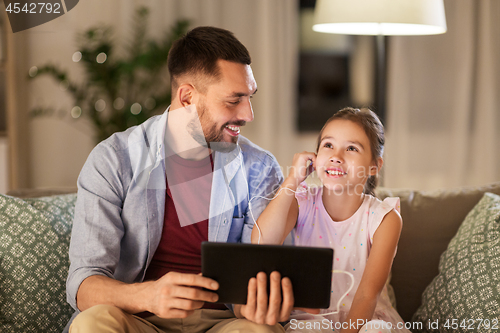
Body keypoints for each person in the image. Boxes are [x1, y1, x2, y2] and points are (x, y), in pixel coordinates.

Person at [66, 26, 294, 333]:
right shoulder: (114, 159)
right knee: (92, 323)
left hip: (222, 323)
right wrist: (148, 294)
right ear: (187, 97)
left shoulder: (260, 168)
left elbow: (256, 280)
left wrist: (258, 303)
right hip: (140, 318)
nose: (248, 114)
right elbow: (84, 284)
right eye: (234, 100)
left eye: (250, 97)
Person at [251, 107, 410, 333]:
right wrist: (293, 179)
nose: (336, 156)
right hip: (311, 321)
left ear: (374, 167)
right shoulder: (301, 201)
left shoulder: (385, 218)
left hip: (366, 320)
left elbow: (368, 294)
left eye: (352, 148)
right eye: (328, 145)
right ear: (315, 157)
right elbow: (261, 243)